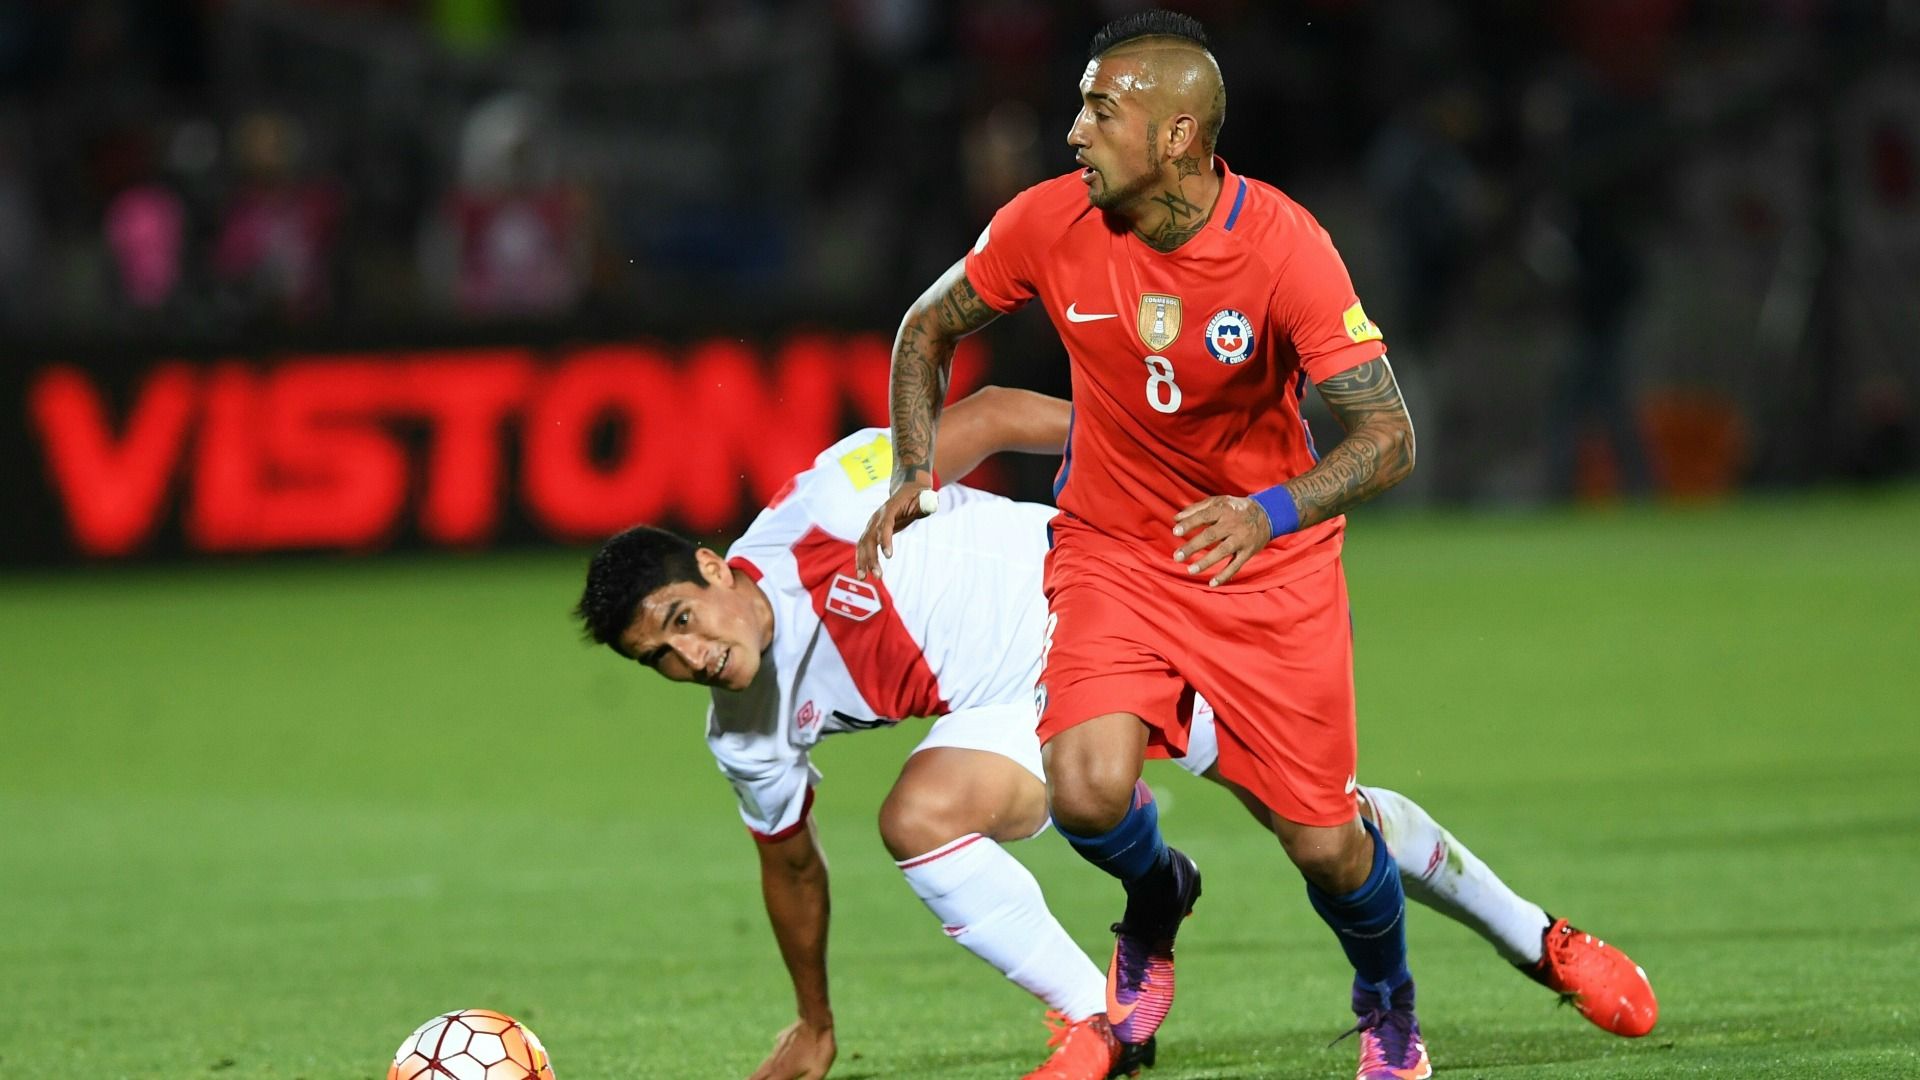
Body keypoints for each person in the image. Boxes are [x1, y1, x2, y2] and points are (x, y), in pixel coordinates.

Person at [581, 388, 1657, 1080]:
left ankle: (1540, 941)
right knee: (918, 819)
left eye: (683, 622)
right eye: (660, 659)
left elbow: (995, 413)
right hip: (1023, 708)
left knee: (1324, 829)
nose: (692, 658)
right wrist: (813, 1023)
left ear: (716, 569)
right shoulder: (745, 734)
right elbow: (792, 868)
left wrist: (1144, 462)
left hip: (1119, 597)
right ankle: (1089, 1021)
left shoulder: (826, 504)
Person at [856, 11, 1432, 1078]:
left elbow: (1389, 434)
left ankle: (1388, 1000)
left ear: (1177, 135)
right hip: (1116, 550)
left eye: (1100, 109)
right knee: (1082, 789)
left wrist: (1270, 510)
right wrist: (909, 469)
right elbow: (923, 329)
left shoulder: (1284, 248)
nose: (1074, 131)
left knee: (1325, 846)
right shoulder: (1047, 222)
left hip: (1264, 565)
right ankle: (1158, 894)